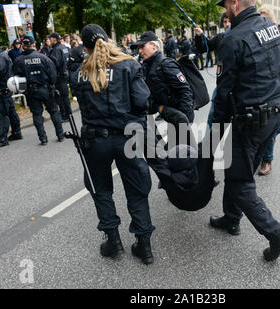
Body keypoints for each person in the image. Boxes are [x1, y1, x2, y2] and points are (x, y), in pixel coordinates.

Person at [210, 0, 280, 262]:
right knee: (241, 170)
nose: (224, 9)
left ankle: (277, 236)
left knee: (239, 183)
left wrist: (215, 132)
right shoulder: (269, 26)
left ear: (234, 4)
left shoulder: (233, 39)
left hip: (249, 122)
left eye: (225, 5)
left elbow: (223, 94)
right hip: (273, 115)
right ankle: (231, 219)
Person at [71, 24, 155, 265]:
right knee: (137, 189)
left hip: (95, 140)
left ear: (84, 46)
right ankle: (144, 245)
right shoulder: (129, 65)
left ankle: (113, 241)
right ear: (107, 40)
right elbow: (142, 101)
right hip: (127, 136)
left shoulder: (79, 72)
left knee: (100, 189)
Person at [133, 31, 195, 148]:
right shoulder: (147, 66)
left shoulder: (165, 64)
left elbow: (185, 91)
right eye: (138, 48)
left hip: (180, 116)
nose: (140, 51)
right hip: (171, 117)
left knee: (183, 156)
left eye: (142, 46)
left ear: (154, 46)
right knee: (176, 155)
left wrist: (183, 119)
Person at [13, 36, 64, 146]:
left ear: (23, 46)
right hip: (46, 89)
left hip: (31, 91)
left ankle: (43, 138)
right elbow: (53, 74)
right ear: (33, 44)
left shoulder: (18, 60)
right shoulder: (43, 58)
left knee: (37, 114)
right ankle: (60, 135)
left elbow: (16, 78)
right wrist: (52, 85)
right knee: (54, 111)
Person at [257, 6, 280, 176]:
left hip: (272, 89)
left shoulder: (277, 39)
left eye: (265, 18)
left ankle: (267, 159)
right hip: (258, 88)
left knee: (272, 125)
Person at [48, 32, 72, 122]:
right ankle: (68, 114)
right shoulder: (64, 48)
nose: (49, 41)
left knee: (61, 97)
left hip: (59, 76)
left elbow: (54, 64)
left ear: (54, 39)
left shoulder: (56, 49)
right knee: (65, 96)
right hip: (65, 75)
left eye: (50, 39)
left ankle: (65, 115)